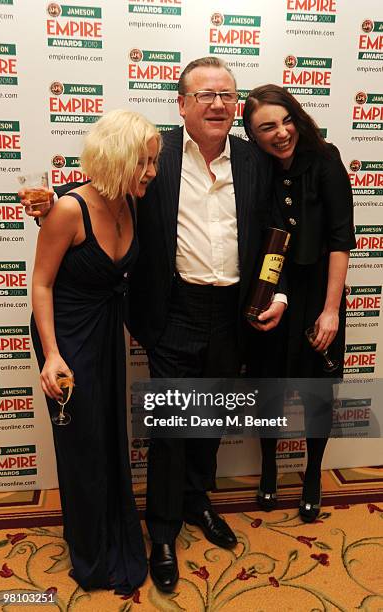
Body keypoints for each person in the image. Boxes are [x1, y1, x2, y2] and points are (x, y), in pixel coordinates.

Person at [22, 57, 287, 593]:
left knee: (209, 419)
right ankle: (162, 531)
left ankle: (197, 503)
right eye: (205, 94)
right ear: (182, 104)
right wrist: (51, 200)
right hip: (171, 312)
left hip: (234, 310)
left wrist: (276, 291)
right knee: (169, 428)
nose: (217, 103)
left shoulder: (254, 160)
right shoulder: (158, 154)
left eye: (227, 95)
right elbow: (107, 182)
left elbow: (274, 230)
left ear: (237, 105)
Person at [30, 109, 161, 594]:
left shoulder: (129, 202)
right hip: (66, 337)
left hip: (106, 329)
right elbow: (41, 285)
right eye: (143, 162)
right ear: (118, 159)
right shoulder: (68, 210)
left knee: (107, 436)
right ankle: (90, 550)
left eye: (153, 162)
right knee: (81, 444)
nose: (150, 172)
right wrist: (51, 356)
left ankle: (113, 531)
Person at [242, 84, 356, 522]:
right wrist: (277, 296)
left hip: (320, 294)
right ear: (253, 134)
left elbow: (341, 240)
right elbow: (271, 243)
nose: (281, 132)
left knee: (317, 394)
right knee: (268, 387)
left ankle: (312, 475)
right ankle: (268, 469)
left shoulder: (325, 160)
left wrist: (330, 310)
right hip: (275, 289)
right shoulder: (256, 168)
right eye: (267, 126)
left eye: (286, 119)